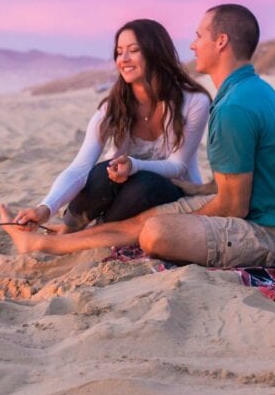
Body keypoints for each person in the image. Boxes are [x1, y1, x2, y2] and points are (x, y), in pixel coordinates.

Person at [0, 4, 275, 267]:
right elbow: (231, 192)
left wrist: (184, 219)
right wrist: (47, 207)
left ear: (221, 41)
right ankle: (45, 241)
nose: (193, 45)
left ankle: (49, 241)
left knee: (153, 230)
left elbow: (233, 205)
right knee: (144, 217)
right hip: (260, 211)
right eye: (119, 51)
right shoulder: (248, 91)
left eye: (199, 36)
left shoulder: (232, 108)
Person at [11, 19, 211, 234]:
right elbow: (80, 167)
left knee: (145, 184)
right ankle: (71, 228)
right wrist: (45, 209)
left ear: (156, 53)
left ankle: (95, 233)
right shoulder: (111, 109)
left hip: (172, 192)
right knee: (102, 172)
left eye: (133, 50)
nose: (123, 59)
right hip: (119, 196)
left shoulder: (194, 101)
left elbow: (177, 165)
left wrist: (134, 166)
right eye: (119, 51)